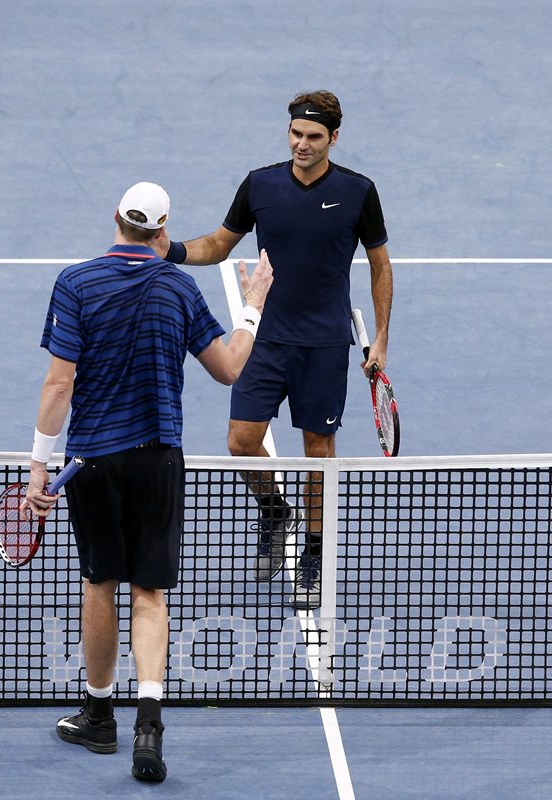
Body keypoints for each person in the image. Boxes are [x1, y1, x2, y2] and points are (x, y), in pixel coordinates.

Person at [22, 181, 273, 783]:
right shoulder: (178, 286)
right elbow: (230, 368)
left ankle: (98, 714)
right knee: (150, 595)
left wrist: (38, 466)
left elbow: (60, 384)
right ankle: (149, 725)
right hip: (157, 460)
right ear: (163, 230)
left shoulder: (75, 283)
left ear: (116, 218)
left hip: (92, 462)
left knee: (99, 583)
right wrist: (252, 305)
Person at [155, 90, 393, 608]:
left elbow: (380, 265)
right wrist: (169, 250)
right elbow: (219, 244)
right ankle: (274, 510)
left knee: (318, 455)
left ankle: (312, 548)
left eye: (313, 137)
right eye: (295, 134)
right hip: (265, 339)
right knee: (241, 442)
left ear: (334, 137)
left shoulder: (358, 192)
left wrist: (381, 337)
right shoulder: (260, 184)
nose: (301, 144)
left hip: (325, 344)